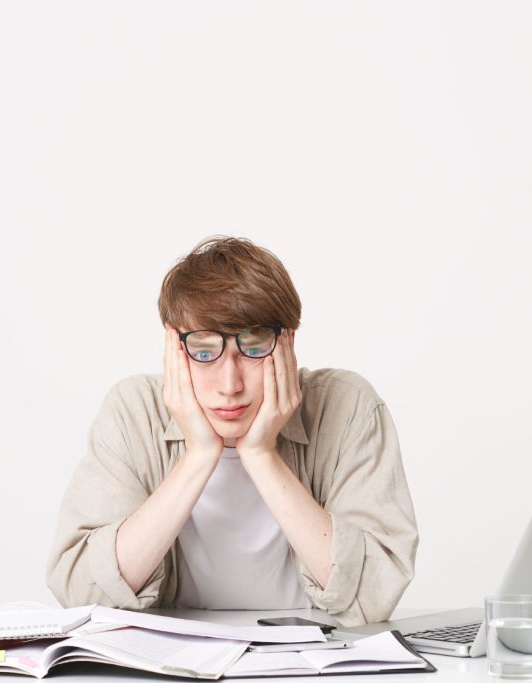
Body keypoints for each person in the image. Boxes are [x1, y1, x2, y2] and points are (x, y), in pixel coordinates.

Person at [46, 236, 418, 625]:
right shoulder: (133, 411)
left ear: (288, 343)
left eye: (254, 350)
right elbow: (81, 593)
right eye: (204, 353)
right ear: (174, 348)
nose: (229, 384)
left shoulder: (348, 406)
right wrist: (198, 455)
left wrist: (261, 454)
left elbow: (374, 596)